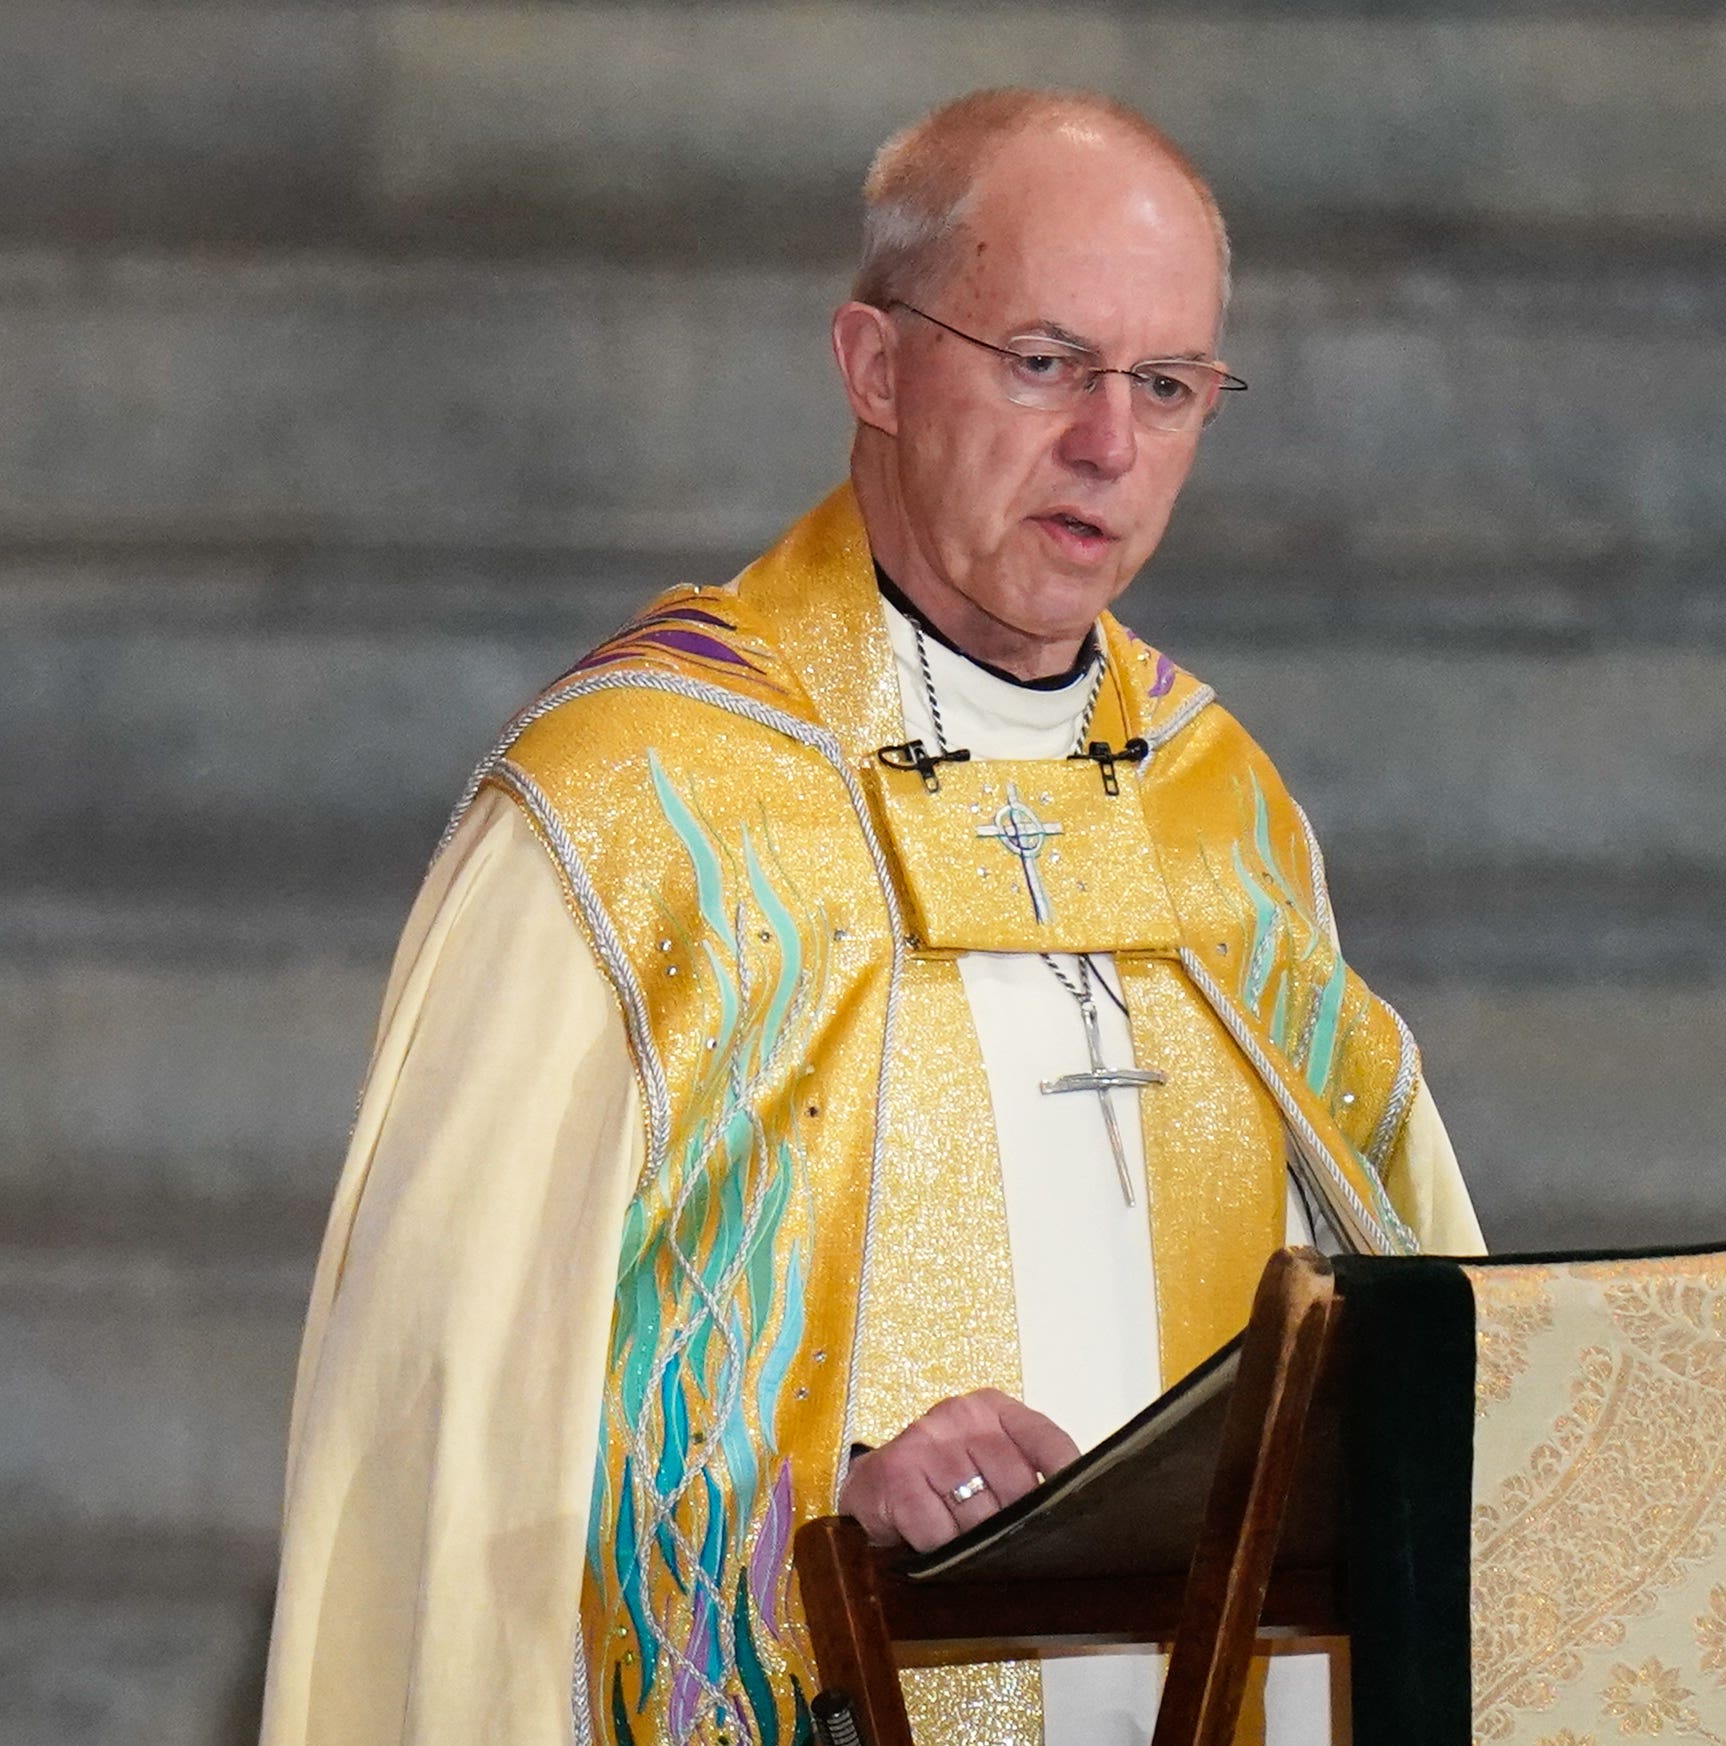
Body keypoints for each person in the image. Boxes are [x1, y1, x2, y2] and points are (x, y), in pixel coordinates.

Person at [258, 87, 1482, 1746]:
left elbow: (1424, 1350)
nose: (1110, 446)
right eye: (1045, 361)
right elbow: (453, 1398)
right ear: (877, 365)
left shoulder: (1221, 811)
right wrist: (814, 1506)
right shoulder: (637, 804)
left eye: (1169, 384)